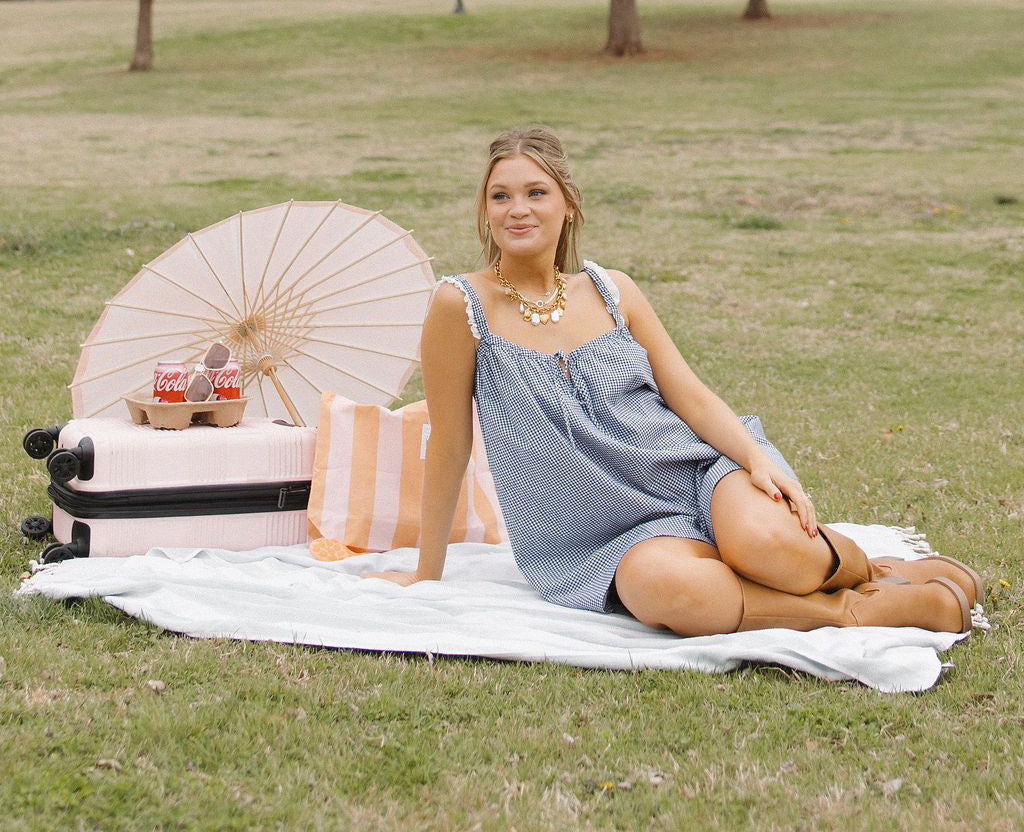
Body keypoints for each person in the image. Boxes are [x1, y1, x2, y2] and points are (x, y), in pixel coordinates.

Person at [372, 126, 980, 636]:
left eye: (536, 192)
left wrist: (752, 459)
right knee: (671, 592)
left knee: (774, 550)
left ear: (568, 205)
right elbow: (450, 444)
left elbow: (686, 394)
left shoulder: (613, 291)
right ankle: (854, 610)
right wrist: (427, 572)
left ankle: (872, 569)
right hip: (603, 536)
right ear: (485, 209)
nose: (518, 209)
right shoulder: (460, 306)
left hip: (696, 472)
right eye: (500, 196)